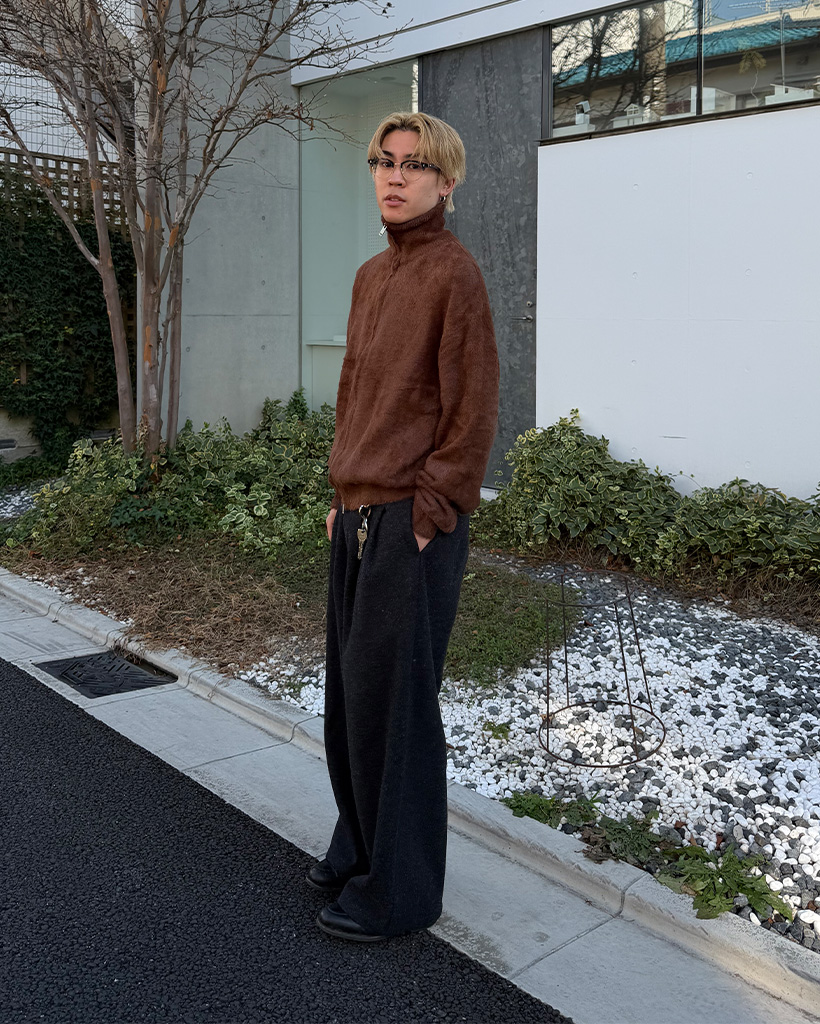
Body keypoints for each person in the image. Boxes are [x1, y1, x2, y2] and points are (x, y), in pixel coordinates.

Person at [311, 111, 499, 942]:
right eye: (384, 162)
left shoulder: (454, 274)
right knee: (353, 701)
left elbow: (473, 409)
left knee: (398, 713)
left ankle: (401, 894)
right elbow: (356, 395)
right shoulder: (370, 275)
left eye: (414, 165)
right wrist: (341, 488)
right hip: (358, 512)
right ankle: (359, 847)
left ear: (445, 182)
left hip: (408, 523)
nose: (394, 176)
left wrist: (431, 512)